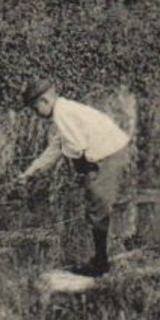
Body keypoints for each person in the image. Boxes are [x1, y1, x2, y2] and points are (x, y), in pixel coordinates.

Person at [18, 80, 131, 277]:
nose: (35, 114)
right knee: (96, 204)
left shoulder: (63, 113)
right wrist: (31, 171)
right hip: (109, 153)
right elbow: (57, 147)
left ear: (44, 101)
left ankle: (101, 264)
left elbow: (75, 147)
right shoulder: (64, 110)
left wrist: (82, 173)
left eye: (35, 108)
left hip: (109, 155)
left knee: (98, 204)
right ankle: (100, 259)